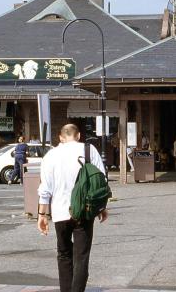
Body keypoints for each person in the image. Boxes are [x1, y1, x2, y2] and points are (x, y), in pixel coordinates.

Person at [37, 124, 109, 292]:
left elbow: (45, 189)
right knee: (81, 257)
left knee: (63, 254)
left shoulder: (50, 155)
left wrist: (42, 215)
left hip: (59, 212)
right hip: (84, 210)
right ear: (78, 135)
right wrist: (102, 207)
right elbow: (101, 181)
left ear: (60, 138)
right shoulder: (89, 150)